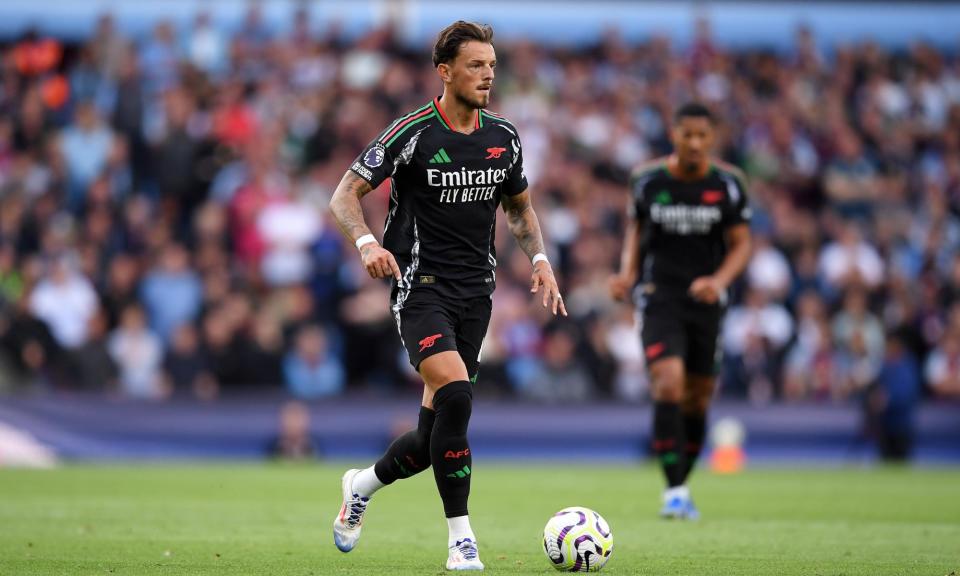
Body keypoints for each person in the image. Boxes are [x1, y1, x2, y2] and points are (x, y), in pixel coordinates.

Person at [327, 20, 565, 570]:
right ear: (445, 71)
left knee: (432, 435)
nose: (487, 75)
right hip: (419, 289)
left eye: (491, 66)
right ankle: (461, 538)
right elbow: (344, 194)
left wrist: (541, 260)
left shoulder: (503, 138)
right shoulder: (412, 132)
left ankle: (360, 485)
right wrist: (365, 242)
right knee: (457, 394)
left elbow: (520, 209)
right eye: (476, 65)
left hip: (476, 296)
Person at [609, 102, 752, 520]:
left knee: (697, 397)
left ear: (712, 138)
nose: (693, 142)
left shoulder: (729, 183)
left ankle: (681, 484)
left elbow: (742, 243)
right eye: (686, 134)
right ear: (673, 134)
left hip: (707, 301)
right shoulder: (647, 180)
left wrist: (719, 281)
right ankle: (673, 491)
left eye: (701, 135)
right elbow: (636, 230)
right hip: (660, 297)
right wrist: (626, 274)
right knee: (668, 382)